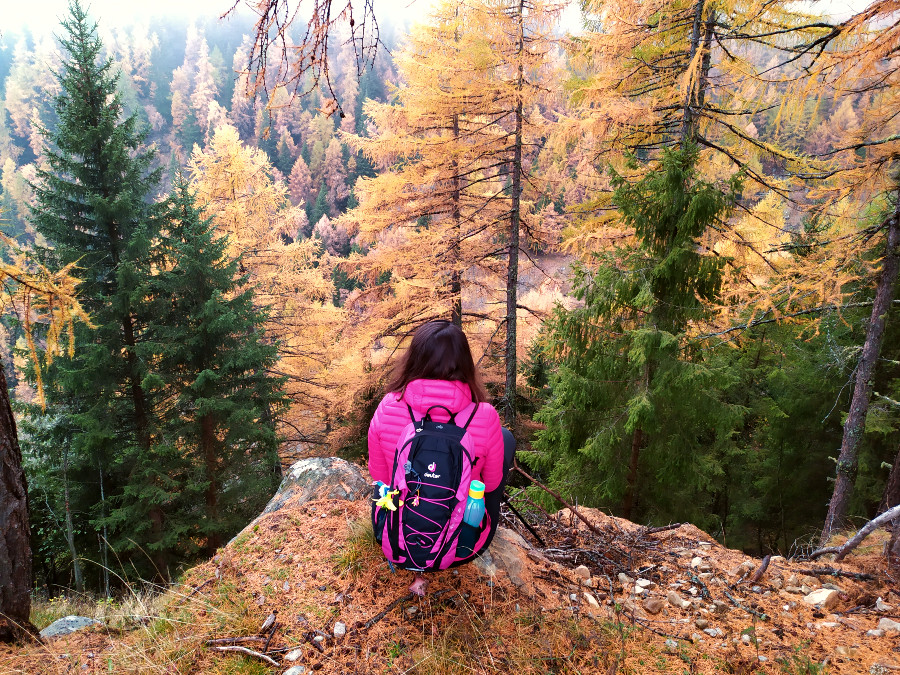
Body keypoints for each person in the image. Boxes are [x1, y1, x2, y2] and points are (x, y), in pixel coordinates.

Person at [367, 320, 515, 596]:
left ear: (413, 359)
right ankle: (463, 528)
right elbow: (492, 483)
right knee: (505, 439)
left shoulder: (388, 406)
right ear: (465, 363)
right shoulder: (484, 416)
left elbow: (380, 479)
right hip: (461, 547)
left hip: (396, 540)